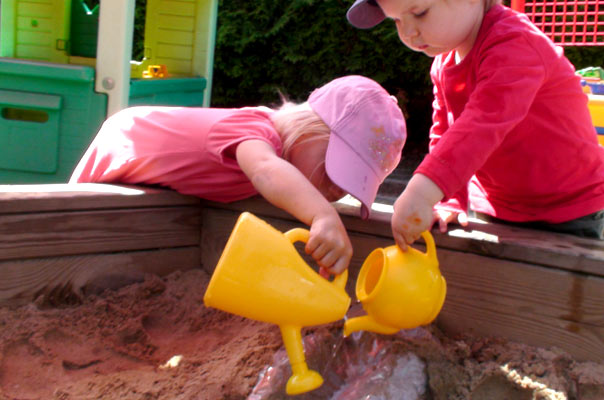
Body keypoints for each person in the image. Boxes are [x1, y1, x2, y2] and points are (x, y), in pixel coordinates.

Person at [70, 75, 407, 272]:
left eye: (350, 182)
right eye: (335, 168)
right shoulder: (256, 131)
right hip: (123, 143)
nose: (336, 190)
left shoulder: (282, 164)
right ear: (310, 127)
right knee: (71, 223)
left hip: (156, 184)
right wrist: (323, 216)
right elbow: (265, 170)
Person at [346, 0, 604, 249]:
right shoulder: (444, 62)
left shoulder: (516, 43)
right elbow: (447, 133)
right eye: (397, 20)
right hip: (499, 204)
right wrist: (448, 200)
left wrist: (423, 191)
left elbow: (483, 123)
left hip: (568, 207)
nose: (408, 33)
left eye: (420, 13)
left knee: (554, 289)